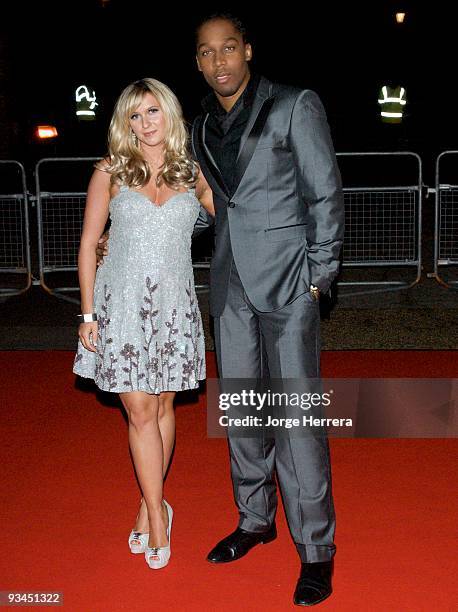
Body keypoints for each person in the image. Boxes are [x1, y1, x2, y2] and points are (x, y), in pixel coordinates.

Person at [191, 14, 344, 607]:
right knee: (242, 414)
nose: (220, 60)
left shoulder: (294, 104)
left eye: (229, 48)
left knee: (298, 421)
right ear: (199, 64)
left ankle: (316, 549)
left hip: (289, 288)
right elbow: (213, 209)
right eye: (207, 53)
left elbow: (324, 191)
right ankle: (255, 519)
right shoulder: (202, 127)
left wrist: (319, 278)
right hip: (229, 290)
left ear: (248, 50)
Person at [73, 77, 214, 570]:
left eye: (152, 111)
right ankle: (158, 515)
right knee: (139, 412)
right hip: (123, 307)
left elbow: (238, 219)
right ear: (124, 123)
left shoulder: (195, 173)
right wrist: (88, 314)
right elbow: (90, 244)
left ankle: (148, 501)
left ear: (169, 114)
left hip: (175, 308)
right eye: (134, 115)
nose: (144, 123)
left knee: (163, 409)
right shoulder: (110, 171)